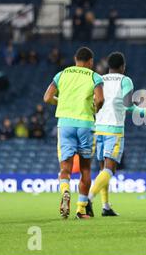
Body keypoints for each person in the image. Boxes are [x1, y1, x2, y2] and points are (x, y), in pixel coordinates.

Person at [43, 47, 104, 219]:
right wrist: (95, 110)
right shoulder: (95, 76)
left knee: (65, 168)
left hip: (65, 124)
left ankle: (65, 191)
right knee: (85, 169)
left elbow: (47, 98)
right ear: (90, 62)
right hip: (85, 124)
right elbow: (100, 99)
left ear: (75, 59)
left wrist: (61, 103)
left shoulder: (61, 74)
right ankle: (81, 210)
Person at [87, 52, 146, 217]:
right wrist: (144, 112)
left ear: (109, 66)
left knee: (102, 169)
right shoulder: (125, 80)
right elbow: (128, 106)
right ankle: (88, 198)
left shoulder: (98, 79)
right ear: (123, 67)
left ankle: (106, 206)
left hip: (97, 128)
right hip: (113, 130)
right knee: (110, 169)